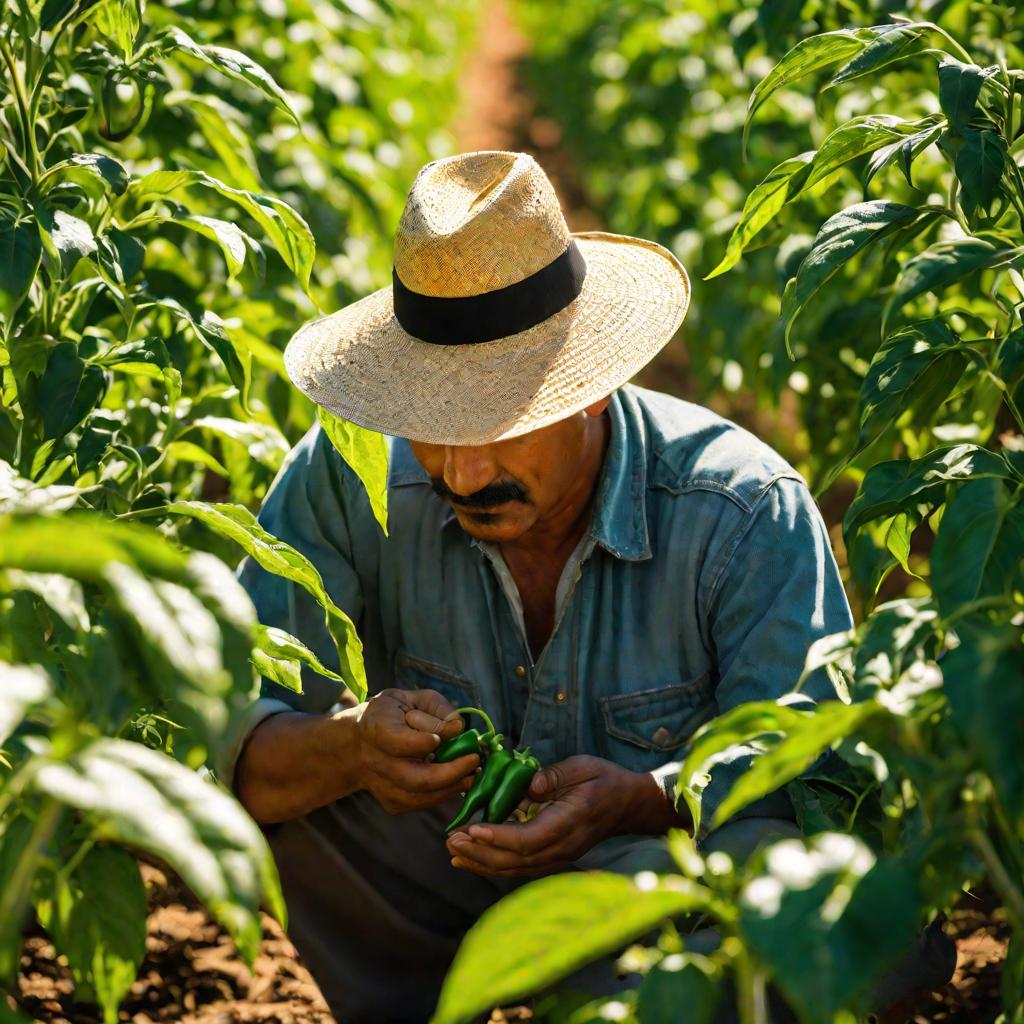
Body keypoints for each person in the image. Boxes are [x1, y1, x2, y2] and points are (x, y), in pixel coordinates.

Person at [217, 151, 954, 1022]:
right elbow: (225, 733)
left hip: (646, 900)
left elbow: (823, 780)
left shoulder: (740, 509)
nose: (462, 470)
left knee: (774, 855)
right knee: (284, 792)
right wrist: (354, 751)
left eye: (499, 422)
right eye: (430, 426)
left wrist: (647, 800)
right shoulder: (348, 478)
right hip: (432, 878)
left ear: (592, 387)